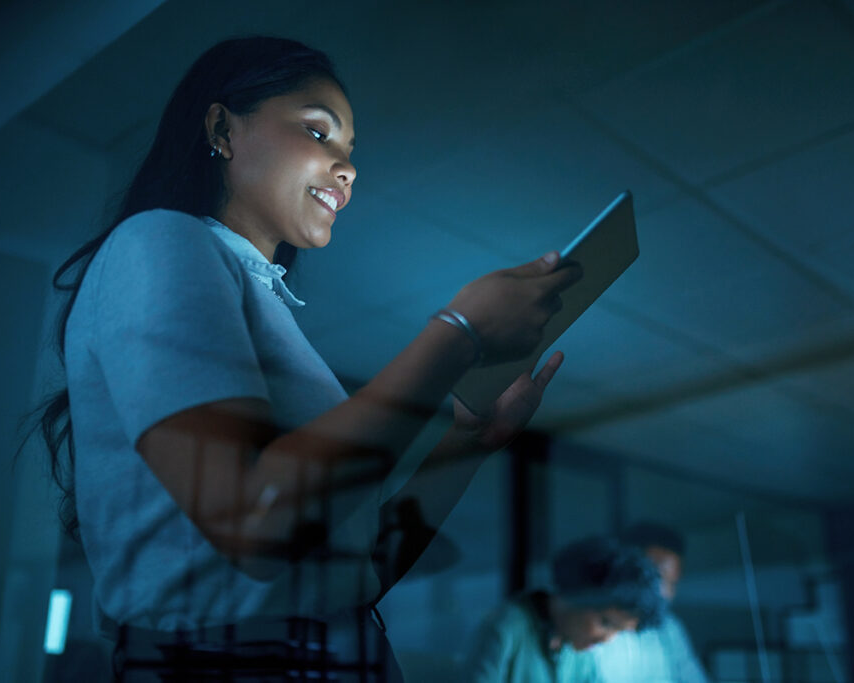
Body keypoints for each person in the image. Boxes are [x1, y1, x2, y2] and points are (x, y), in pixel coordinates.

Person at [35, 36, 581, 679]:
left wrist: (468, 441)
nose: (347, 167)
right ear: (221, 128)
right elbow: (256, 523)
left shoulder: (258, 301)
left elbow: (358, 573)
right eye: (319, 133)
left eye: (350, 152)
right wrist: (458, 331)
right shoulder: (158, 239)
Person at [461, 536, 665, 683]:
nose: (607, 639)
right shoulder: (505, 630)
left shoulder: (580, 650)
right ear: (574, 593)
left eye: (619, 631)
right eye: (606, 623)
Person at [593, 522, 710, 683]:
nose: (667, 594)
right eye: (658, 580)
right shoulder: (593, 630)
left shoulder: (669, 628)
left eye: (673, 583)